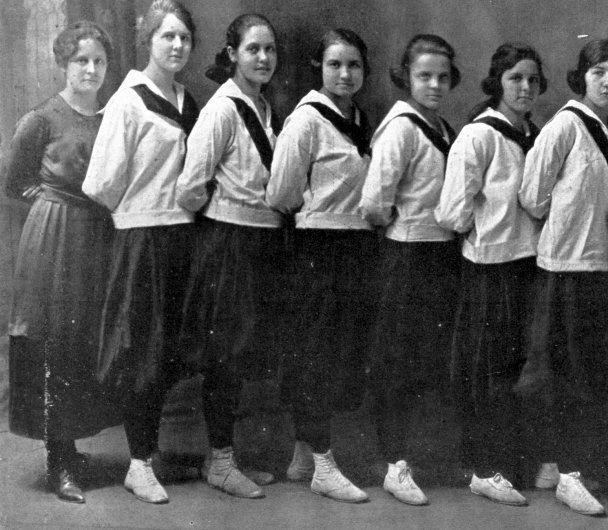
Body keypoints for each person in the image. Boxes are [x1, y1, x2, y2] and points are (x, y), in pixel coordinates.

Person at [82, 0, 199, 504]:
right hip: (141, 240)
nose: (176, 46)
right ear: (147, 41)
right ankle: (138, 463)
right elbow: (102, 184)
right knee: (141, 355)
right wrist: (140, 210)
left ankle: (156, 454)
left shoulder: (186, 99)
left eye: (183, 39)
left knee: (171, 351)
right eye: (165, 37)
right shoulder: (128, 101)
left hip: (182, 238)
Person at [516, 38, 608, 516]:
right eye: (598, 72)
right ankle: (567, 472)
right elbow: (532, 196)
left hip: (602, 267)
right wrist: (569, 226)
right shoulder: (565, 125)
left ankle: (585, 466)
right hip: (565, 267)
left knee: (592, 372)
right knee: (564, 373)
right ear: (581, 77)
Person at [3, 21, 116, 504]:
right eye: (81, 62)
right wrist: (54, 209)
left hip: (98, 236)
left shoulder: (112, 116)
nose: (90, 70)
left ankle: (70, 443)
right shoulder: (41, 118)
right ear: (64, 65)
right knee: (53, 338)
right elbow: (14, 184)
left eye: (98, 62)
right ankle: (56, 461)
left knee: (85, 337)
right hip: (54, 237)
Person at [174, 13, 282, 499]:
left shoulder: (262, 105)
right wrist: (222, 217)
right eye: (253, 49)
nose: (263, 58)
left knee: (243, 357)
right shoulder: (223, 109)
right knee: (225, 357)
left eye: (270, 49)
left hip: (260, 242)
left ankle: (225, 457)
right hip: (228, 244)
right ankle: (218, 462)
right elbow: (189, 187)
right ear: (232, 54)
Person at [267, 28, 376, 504]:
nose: (345, 74)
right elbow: (281, 194)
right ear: (320, 68)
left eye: (353, 65)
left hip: (354, 249)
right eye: (335, 65)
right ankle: (324, 465)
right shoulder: (306, 121)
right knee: (315, 356)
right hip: (316, 250)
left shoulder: (359, 118)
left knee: (338, 356)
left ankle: (301, 454)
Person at [435, 42, 546, 507]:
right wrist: (488, 229)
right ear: (497, 82)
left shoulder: (535, 133)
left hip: (528, 263)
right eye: (515, 79)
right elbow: (451, 212)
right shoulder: (479, 136)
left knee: (518, 368)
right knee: (486, 371)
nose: (524, 88)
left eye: (532, 80)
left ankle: (512, 463)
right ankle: (484, 467)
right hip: (488, 268)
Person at [359, 33, 460, 506]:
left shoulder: (442, 126)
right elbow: (374, 203)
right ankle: (394, 463)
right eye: (424, 76)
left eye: (442, 77)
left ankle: (421, 457)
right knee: (398, 363)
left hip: (441, 256)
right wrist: (403, 226)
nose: (434, 84)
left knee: (429, 363)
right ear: (407, 77)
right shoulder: (400, 127)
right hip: (406, 256)